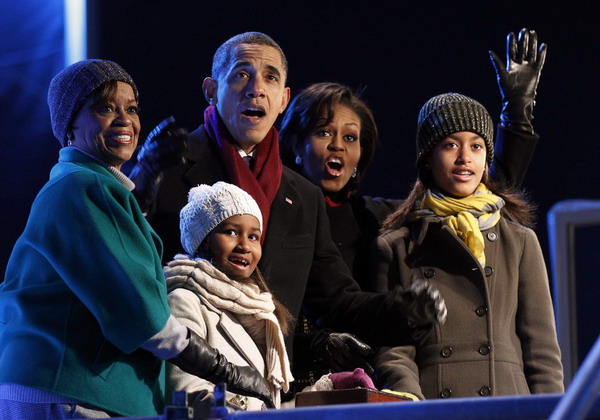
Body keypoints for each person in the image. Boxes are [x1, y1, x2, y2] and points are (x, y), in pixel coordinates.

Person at [129, 31, 447, 395]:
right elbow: (127, 267)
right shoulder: (166, 169)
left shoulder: (303, 196)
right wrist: (139, 187)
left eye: (270, 77)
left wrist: (402, 310)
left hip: (270, 392)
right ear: (211, 89)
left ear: (283, 100)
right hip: (181, 384)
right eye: (241, 74)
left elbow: (336, 299)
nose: (256, 89)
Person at [0, 59, 273, 419]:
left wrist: (141, 189)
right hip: (70, 385)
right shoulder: (83, 187)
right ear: (70, 124)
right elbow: (145, 316)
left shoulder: (86, 186)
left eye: (131, 109)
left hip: (69, 386)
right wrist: (231, 373)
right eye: (105, 108)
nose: (125, 119)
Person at [277, 27, 548, 385]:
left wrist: (516, 117)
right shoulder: (275, 220)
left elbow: (470, 199)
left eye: (350, 137)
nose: (337, 146)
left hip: (369, 382)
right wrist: (314, 344)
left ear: (361, 154)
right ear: (296, 144)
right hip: (299, 378)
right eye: (323, 132)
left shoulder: (377, 220)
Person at [371, 93, 564, 399]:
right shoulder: (396, 246)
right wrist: (412, 408)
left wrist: (554, 412)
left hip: (509, 405)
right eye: (450, 145)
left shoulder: (520, 241)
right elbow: (394, 352)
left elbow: (543, 354)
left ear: (487, 159)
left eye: (476, 146)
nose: (465, 157)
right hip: (436, 406)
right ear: (427, 156)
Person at [165, 182, 295, 416]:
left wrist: (323, 390)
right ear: (203, 239)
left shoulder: (258, 313)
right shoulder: (184, 301)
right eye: (231, 232)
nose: (245, 245)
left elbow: (267, 407)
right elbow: (186, 393)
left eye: (254, 236)